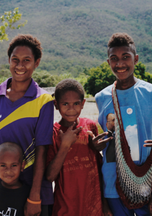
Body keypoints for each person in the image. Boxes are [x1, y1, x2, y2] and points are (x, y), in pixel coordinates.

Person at [94, 32, 152, 215]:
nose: (120, 63)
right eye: (114, 58)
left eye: (126, 57)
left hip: (143, 181)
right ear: (108, 62)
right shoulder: (101, 97)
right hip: (111, 184)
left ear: (136, 59)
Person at [0, 34, 54, 216]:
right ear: (9, 61)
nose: (20, 66)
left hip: (32, 193)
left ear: (37, 63)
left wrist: (35, 195)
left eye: (27, 60)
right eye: (15, 60)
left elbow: (42, 150)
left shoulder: (43, 101)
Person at [45, 79, 111, 216]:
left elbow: (100, 169)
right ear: (56, 105)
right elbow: (50, 176)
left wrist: (104, 205)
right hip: (65, 208)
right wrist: (65, 146)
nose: (71, 108)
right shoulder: (53, 132)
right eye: (65, 104)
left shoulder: (90, 126)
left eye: (76, 103)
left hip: (93, 207)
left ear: (83, 104)